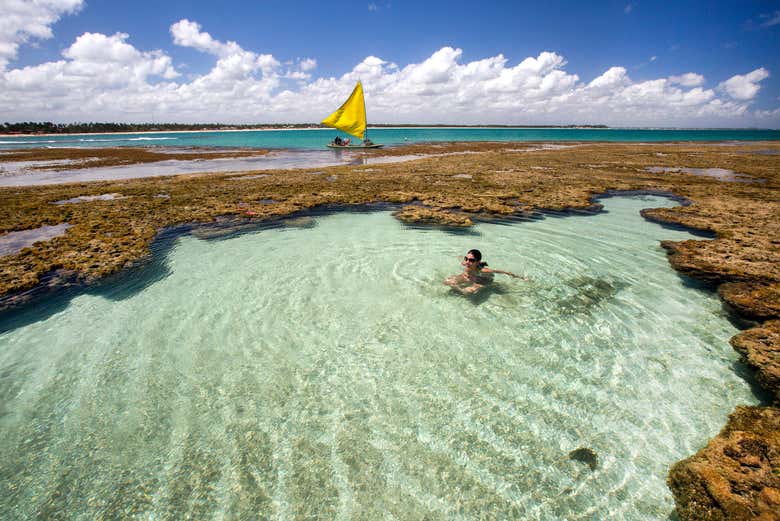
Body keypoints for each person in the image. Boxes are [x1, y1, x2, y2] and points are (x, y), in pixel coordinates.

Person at [444, 249, 525, 294]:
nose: (467, 262)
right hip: (468, 277)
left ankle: (459, 290)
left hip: (482, 280)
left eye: (471, 260)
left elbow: (502, 272)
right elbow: (460, 258)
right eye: (466, 258)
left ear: (478, 262)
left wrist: (520, 277)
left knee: (467, 292)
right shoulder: (465, 263)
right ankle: (458, 289)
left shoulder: (484, 271)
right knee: (446, 281)